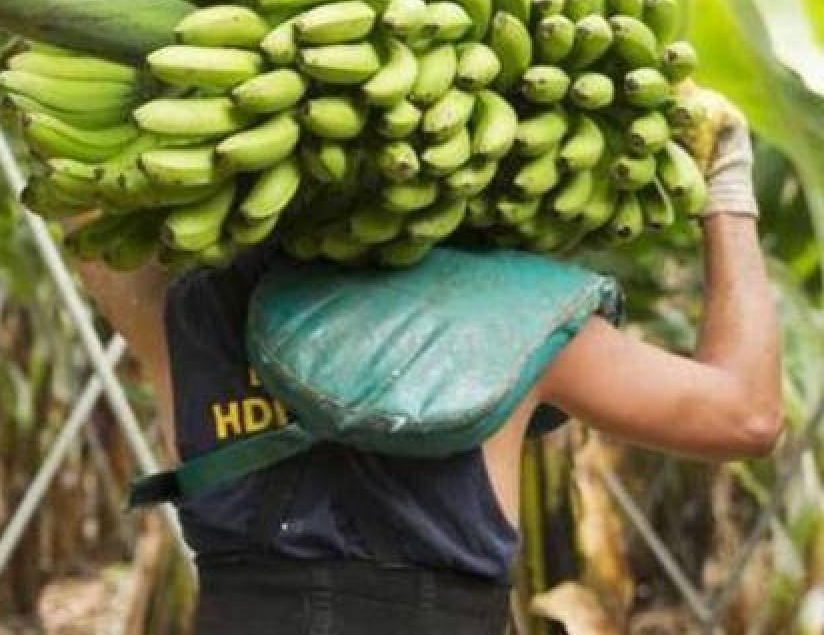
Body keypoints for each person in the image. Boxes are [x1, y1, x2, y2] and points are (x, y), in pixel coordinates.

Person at [75, 85, 782, 635]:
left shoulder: (191, 313)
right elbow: (746, 415)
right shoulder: (517, 314)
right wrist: (725, 186)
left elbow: (81, 202)